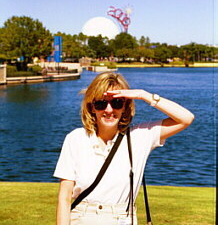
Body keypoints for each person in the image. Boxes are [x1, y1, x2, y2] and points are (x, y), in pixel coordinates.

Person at [54, 72, 194, 225]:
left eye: (117, 103)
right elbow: (65, 197)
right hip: (82, 218)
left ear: (125, 107)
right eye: (101, 103)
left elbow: (185, 118)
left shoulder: (140, 136)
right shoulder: (76, 139)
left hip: (122, 219)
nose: (108, 110)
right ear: (92, 107)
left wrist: (144, 95)